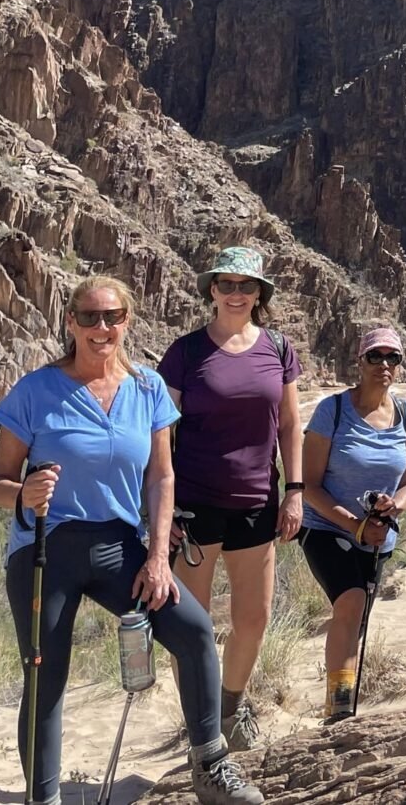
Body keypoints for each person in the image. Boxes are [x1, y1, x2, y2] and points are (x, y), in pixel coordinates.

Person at [0, 276, 263, 805]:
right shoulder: (36, 390)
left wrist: (159, 558)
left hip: (120, 545)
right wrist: (24, 492)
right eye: (88, 317)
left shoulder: (147, 388)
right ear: (70, 323)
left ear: (128, 321)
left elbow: (161, 477)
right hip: (48, 547)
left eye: (112, 316)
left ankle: (210, 764)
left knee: (193, 629)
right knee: (46, 675)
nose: (101, 327)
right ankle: (43, 798)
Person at [159, 247, 304, 750]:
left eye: (247, 286)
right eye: (227, 284)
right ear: (212, 291)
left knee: (253, 619)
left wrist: (295, 493)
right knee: (190, 627)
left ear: (260, 293)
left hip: (257, 502)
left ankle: (229, 710)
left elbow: (289, 424)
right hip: (194, 505)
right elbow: (160, 433)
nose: (237, 294)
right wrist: (159, 508)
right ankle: (201, 726)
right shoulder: (185, 352)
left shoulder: (278, 349)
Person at [299, 324, 406, 721]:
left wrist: (395, 506)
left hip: (378, 536)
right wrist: (354, 525)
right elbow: (310, 486)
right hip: (325, 526)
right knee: (351, 600)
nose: (384, 365)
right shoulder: (331, 411)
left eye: (393, 358)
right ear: (360, 361)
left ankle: (341, 696)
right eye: (375, 356)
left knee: (357, 615)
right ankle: (338, 711)